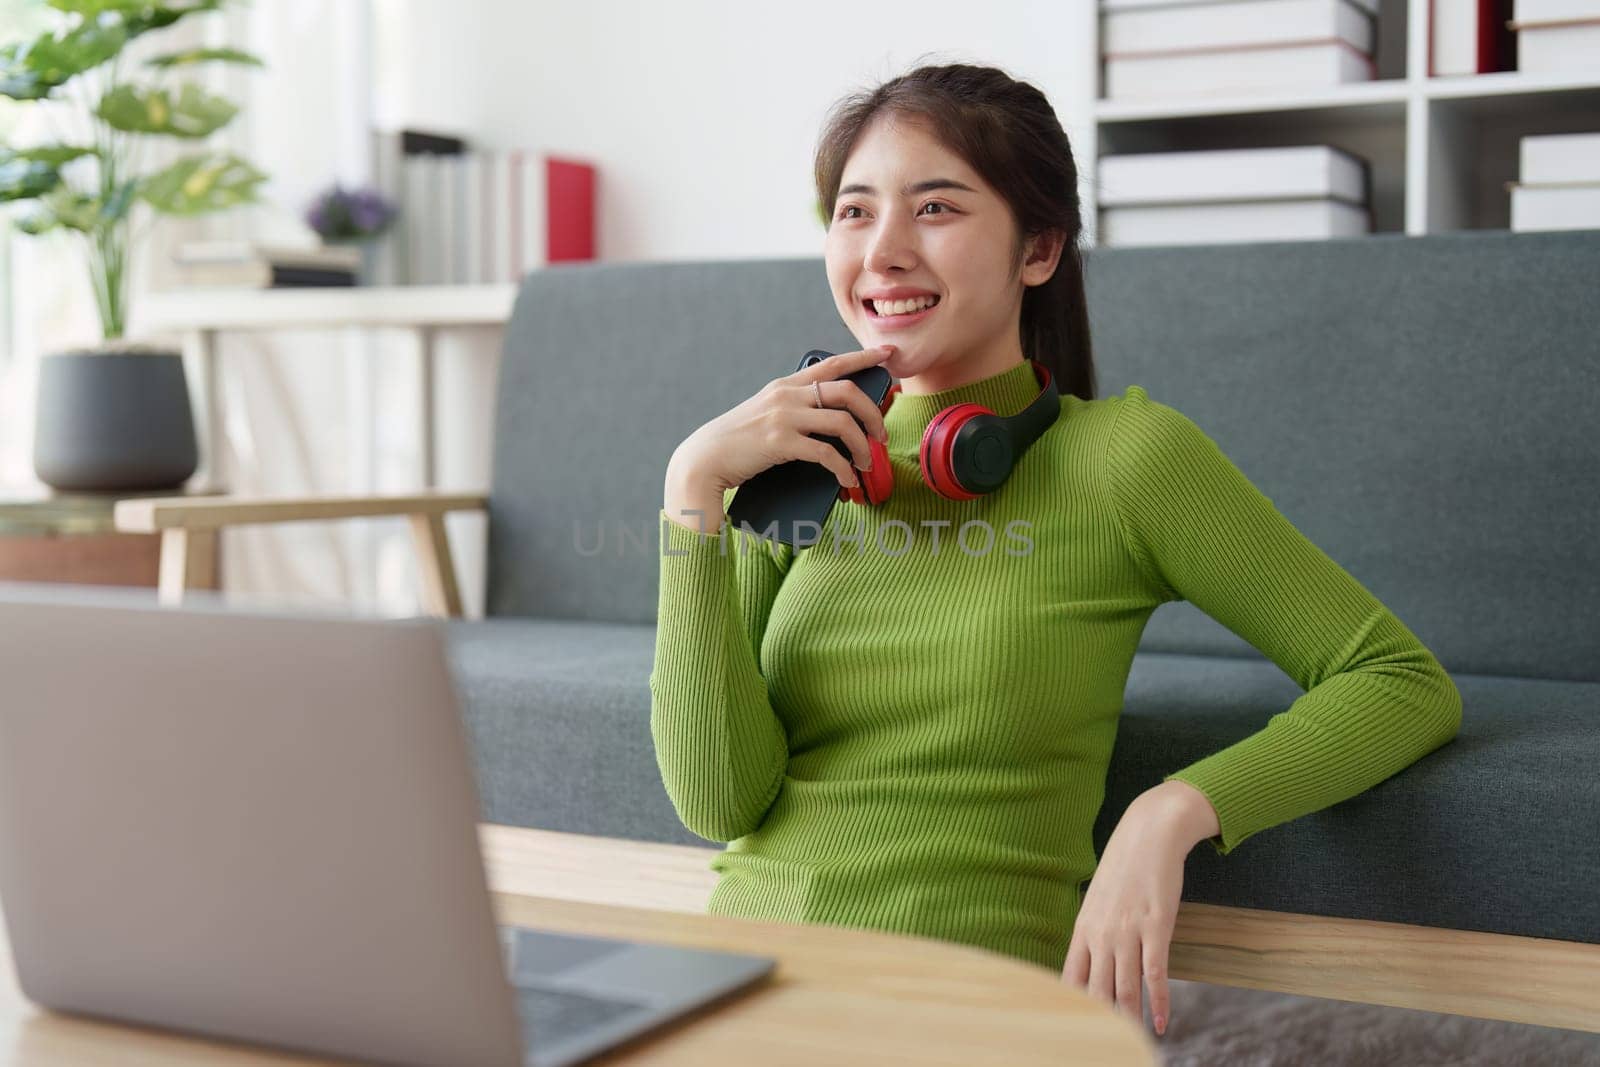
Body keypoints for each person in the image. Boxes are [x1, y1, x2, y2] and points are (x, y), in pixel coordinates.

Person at [649, 61, 1461, 1040]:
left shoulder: (1127, 458)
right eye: (853, 212)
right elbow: (716, 798)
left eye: (935, 207)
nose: (883, 252)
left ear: (1038, 248)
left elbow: (1397, 678)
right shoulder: (808, 458)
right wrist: (693, 491)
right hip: (745, 988)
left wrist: (1171, 813)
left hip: (960, 1011)